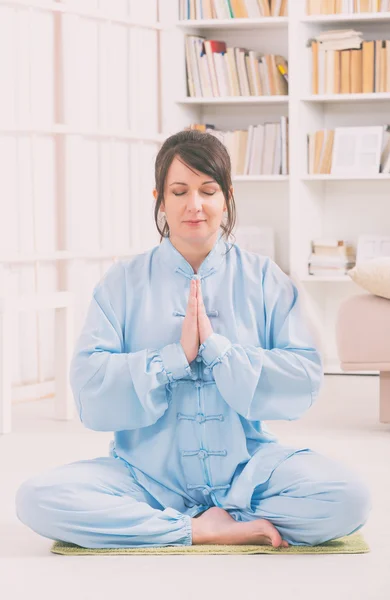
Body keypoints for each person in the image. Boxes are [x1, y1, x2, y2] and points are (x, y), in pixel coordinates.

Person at [15, 130, 371, 549]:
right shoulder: (122, 283)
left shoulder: (265, 279)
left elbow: (305, 373)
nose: (194, 205)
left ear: (228, 197)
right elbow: (89, 382)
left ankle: (182, 523)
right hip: (145, 478)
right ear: (159, 199)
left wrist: (220, 354)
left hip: (248, 474)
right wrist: (172, 359)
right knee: (38, 499)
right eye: (179, 191)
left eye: (208, 190)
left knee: (348, 499)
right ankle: (196, 530)